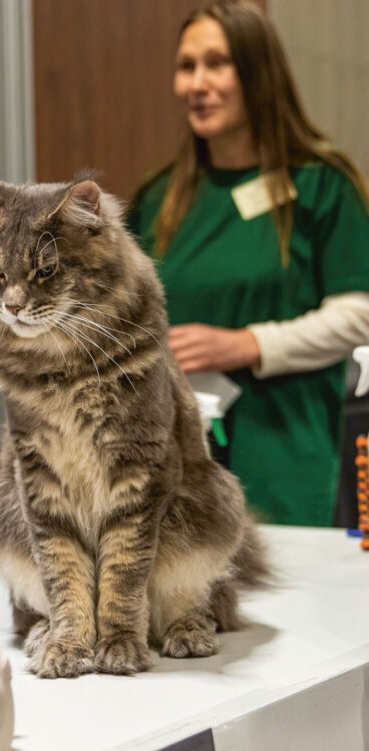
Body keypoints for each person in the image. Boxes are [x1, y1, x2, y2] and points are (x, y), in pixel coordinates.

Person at [127, 0, 369, 527]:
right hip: (173, 461)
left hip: (283, 452)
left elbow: (359, 315)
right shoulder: (160, 196)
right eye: (186, 66)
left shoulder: (322, 185)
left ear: (259, 72)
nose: (197, 83)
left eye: (217, 63)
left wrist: (249, 345)